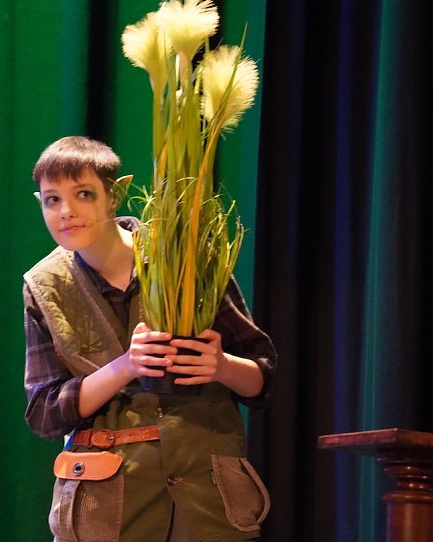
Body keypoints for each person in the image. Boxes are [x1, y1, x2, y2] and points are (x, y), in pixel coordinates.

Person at [23, 135, 277, 542]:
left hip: (206, 502)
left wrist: (223, 366)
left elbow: (262, 377)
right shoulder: (44, 286)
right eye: (52, 200)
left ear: (114, 194)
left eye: (83, 194)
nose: (66, 212)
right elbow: (44, 413)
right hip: (106, 509)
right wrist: (124, 367)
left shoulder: (187, 259)